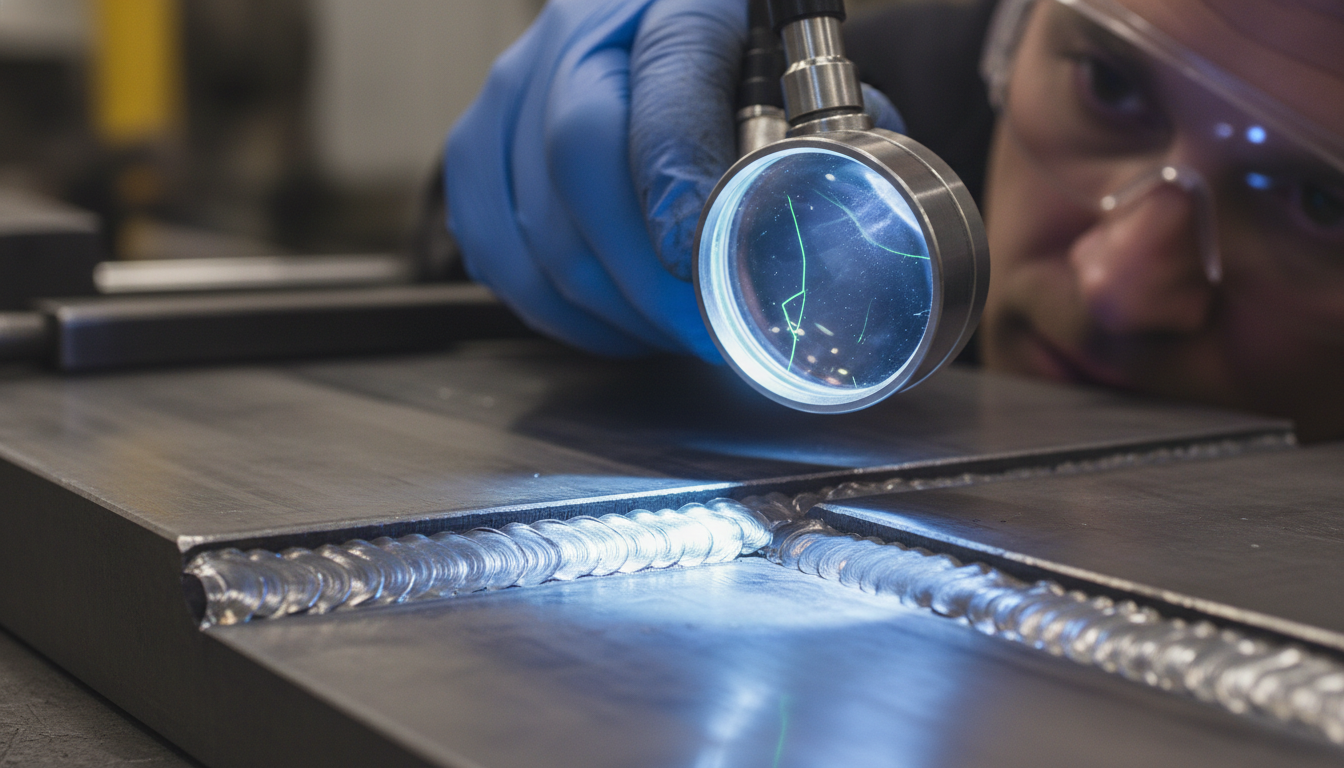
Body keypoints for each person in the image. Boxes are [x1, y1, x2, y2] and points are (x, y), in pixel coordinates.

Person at [442, 0, 1344, 441]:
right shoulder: (897, 83)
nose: (1120, 287)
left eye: (1321, 203)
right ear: (1011, 30)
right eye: (1109, 87)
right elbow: (446, 240)